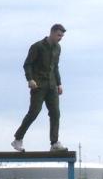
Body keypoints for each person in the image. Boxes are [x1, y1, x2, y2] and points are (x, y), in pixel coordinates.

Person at [12, 23, 67, 152]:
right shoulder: (38, 46)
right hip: (39, 85)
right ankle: (18, 139)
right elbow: (27, 64)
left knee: (55, 113)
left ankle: (54, 143)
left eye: (62, 36)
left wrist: (59, 83)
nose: (60, 38)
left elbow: (55, 67)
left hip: (52, 85)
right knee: (34, 112)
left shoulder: (58, 48)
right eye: (58, 35)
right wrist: (30, 79)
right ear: (52, 33)